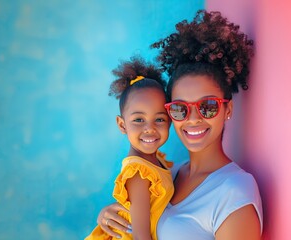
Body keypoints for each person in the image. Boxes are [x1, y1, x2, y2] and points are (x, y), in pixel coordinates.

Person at [94, 10, 263, 240]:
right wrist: (108, 217)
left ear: (228, 110)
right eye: (180, 108)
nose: (193, 118)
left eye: (208, 106)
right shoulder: (167, 173)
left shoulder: (234, 190)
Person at [85, 56, 174, 240]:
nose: (150, 128)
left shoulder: (155, 161)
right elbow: (141, 237)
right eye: (138, 120)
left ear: (170, 121)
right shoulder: (139, 173)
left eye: (159, 119)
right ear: (122, 125)